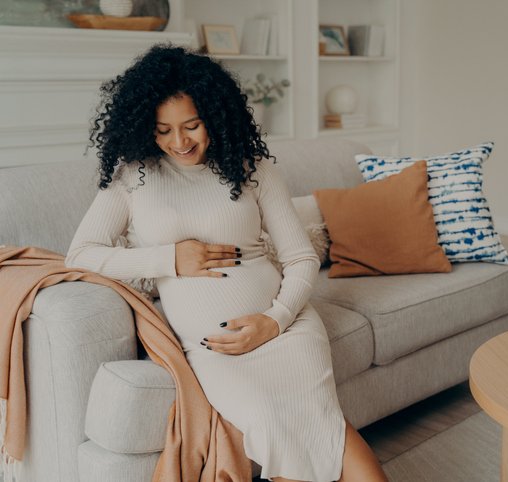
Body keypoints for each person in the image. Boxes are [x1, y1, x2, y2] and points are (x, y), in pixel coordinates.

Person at [65, 45, 388, 482]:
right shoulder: (133, 177)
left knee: (324, 424)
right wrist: (169, 258)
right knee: (272, 422)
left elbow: (300, 257)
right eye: (163, 130)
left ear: (215, 115)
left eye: (192, 126)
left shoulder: (251, 167)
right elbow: (81, 254)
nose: (179, 142)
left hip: (286, 328)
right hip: (215, 349)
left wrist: (276, 319)